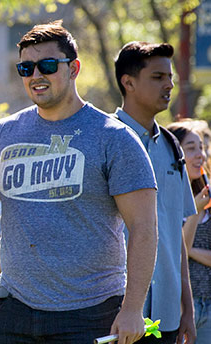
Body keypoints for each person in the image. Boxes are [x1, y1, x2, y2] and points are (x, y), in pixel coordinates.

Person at [0, 20, 158, 343]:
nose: (36, 76)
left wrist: (132, 309)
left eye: (47, 65)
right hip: (13, 309)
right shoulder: (3, 134)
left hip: (90, 312)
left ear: (74, 68)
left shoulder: (113, 138)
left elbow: (144, 229)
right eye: (26, 68)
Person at [113, 41, 197, 344]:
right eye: (158, 77)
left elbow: (176, 237)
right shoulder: (105, 140)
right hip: (115, 314)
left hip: (167, 317)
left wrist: (186, 309)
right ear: (129, 82)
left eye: (170, 77)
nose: (169, 85)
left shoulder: (173, 147)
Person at [169, 121, 211, 343]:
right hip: (179, 307)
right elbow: (176, 256)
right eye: (191, 148)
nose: (200, 155)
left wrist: (189, 249)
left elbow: (182, 248)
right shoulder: (166, 200)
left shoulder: (208, 196)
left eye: (201, 148)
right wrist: (195, 211)